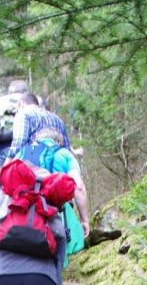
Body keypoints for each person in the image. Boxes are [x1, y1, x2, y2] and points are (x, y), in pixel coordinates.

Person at [11, 94, 90, 241]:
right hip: (57, 220)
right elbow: (78, 187)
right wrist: (85, 219)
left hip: (27, 218)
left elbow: (16, 148)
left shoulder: (24, 154)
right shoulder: (65, 154)